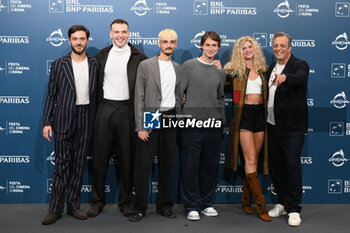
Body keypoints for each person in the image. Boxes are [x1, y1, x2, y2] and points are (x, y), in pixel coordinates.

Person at [87, 19, 147, 218]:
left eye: (124, 31)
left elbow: (155, 78)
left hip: (127, 111)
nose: (120, 35)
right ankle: (97, 201)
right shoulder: (101, 56)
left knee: (128, 160)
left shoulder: (139, 56)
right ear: (110, 33)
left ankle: (126, 202)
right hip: (105, 108)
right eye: (116, 32)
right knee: (99, 159)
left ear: (129, 33)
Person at [42, 25, 99, 225]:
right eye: (75, 39)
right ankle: (55, 208)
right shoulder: (59, 64)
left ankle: (74, 205)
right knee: (61, 165)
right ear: (69, 41)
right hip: (64, 118)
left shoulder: (94, 64)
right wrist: (46, 122)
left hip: (86, 117)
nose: (78, 42)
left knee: (79, 164)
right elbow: (51, 94)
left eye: (82, 39)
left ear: (87, 41)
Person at [128, 29, 180, 222]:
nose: (168, 45)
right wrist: (140, 126)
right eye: (165, 42)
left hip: (170, 116)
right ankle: (139, 208)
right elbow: (139, 96)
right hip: (151, 115)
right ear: (159, 44)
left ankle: (165, 205)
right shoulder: (146, 65)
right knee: (143, 165)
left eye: (172, 42)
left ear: (175, 44)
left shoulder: (178, 68)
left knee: (168, 164)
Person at [176, 31, 225, 221]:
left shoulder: (220, 72)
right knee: (190, 166)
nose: (211, 48)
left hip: (213, 127)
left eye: (214, 45)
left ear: (218, 48)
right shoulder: (189, 66)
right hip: (192, 126)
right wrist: (182, 121)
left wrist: (221, 122)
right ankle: (191, 205)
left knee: (210, 167)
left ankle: (206, 203)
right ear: (201, 46)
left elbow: (220, 98)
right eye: (208, 45)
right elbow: (179, 96)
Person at [224, 36, 271, 222]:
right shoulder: (233, 71)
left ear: (255, 49)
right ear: (239, 51)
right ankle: (261, 205)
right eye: (244, 48)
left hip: (261, 116)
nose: (248, 50)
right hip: (243, 117)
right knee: (250, 158)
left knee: (254, 160)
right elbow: (216, 86)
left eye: (250, 47)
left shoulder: (264, 70)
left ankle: (245, 200)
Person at [267, 32, 309, 227]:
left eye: (282, 45)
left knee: (292, 166)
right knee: (276, 166)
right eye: (276, 45)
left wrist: (285, 77)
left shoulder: (300, 65)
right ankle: (282, 203)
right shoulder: (270, 68)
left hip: (292, 128)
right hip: (272, 126)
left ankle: (293, 209)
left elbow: (300, 78)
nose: (278, 48)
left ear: (290, 47)